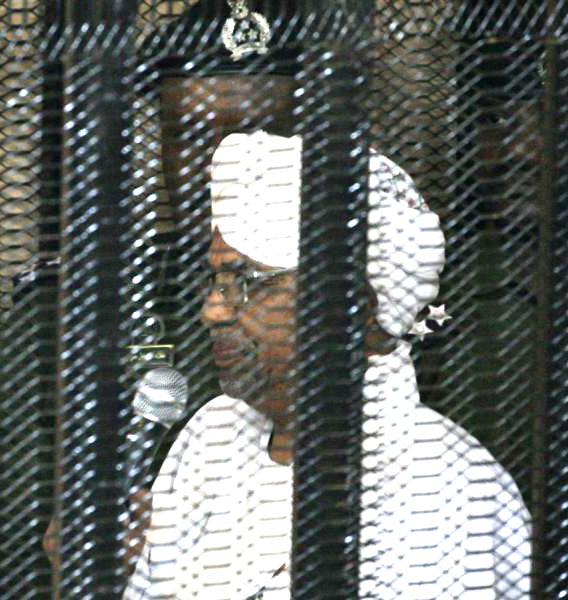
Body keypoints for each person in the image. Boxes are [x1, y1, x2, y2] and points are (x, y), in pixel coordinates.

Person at [125, 1, 532, 598]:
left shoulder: (447, 489)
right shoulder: (213, 434)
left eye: (247, 282)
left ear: (358, 309)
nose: (212, 310)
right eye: (216, 282)